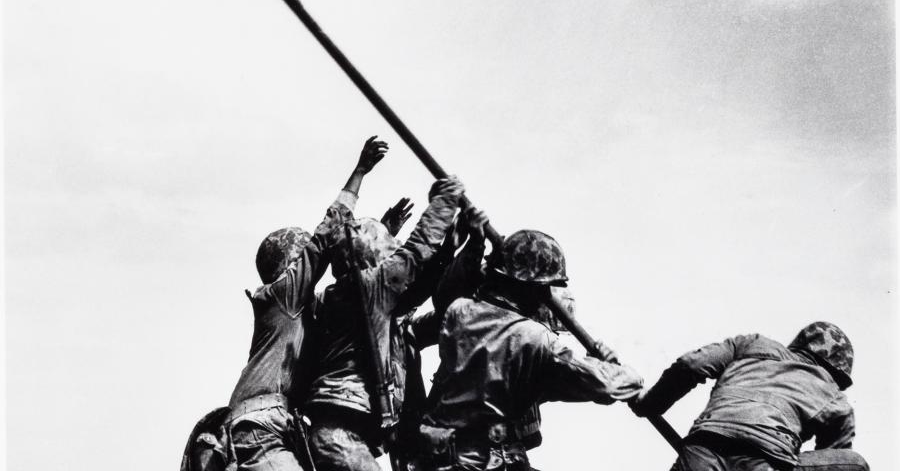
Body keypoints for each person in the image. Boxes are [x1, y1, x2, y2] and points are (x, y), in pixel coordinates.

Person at [181, 136, 400, 471]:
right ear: (288, 263)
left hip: (279, 428)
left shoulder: (304, 310)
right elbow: (325, 239)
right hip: (258, 428)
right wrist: (359, 173)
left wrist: (377, 239)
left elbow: (355, 291)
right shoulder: (281, 297)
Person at [417, 228, 644, 471]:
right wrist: (619, 372)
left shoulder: (459, 310)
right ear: (534, 287)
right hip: (481, 460)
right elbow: (606, 385)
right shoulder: (534, 338)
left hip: (437, 455)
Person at [303, 176, 466, 471]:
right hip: (339, 434)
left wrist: (447, 252)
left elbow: (416, 288)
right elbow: (415, 254)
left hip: (344, 432)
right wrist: (445, 201)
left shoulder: (359, 296)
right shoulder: (365, 289)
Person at [630, 321, 869, 471]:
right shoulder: (835, 397)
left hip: (703, 448)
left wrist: (649, 405)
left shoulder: (751, 344)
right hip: (768, 461)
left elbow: (691, 365)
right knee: (855, 463)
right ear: (838, 371)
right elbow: (829, 458)